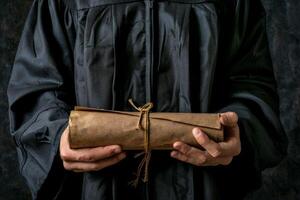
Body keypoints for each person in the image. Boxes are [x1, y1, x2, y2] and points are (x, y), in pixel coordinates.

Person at [7, 0, 287, 199]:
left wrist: (239, 132)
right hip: (99, 187)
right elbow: (38, 88)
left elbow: (252, 86)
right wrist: (58, 138)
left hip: (201, 186)